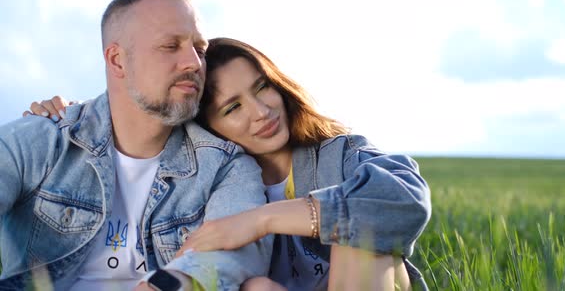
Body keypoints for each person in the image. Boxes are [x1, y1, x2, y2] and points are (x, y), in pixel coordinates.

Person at [28, 37, 431, 290]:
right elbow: (141, 124)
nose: (261, 112)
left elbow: (403, 199)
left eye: (262, 88)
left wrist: (261, 220)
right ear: (208, 127)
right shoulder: (214, 182)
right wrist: (74, 117)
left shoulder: (339, 154)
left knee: (358, 230)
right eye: (233, 107)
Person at [1, 0, 272, 290]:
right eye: (171, 46)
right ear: (117, 60)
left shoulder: (224, 165)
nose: (194, 64)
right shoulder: (46, 139)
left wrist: (168, 283)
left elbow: (237, 251)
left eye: (199, 50)